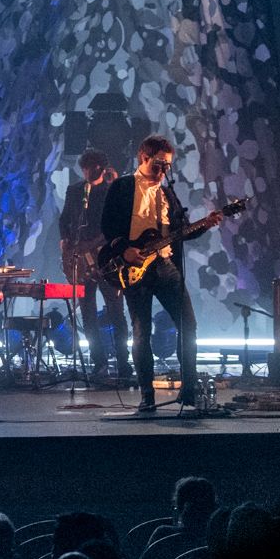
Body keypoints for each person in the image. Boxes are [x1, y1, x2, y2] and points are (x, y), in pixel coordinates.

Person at [100, 136, 223, 413]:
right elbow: (107, 225)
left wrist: (206, 224)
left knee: (188, 326)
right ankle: (147, 395)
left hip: (165, 266)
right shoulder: (122, 186)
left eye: (167, 164)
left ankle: (189, 390)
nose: (163, 169)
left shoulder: (168, 193)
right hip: (134, 267)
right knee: (141, 332)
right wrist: (124, 249)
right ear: (143, 158)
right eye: (159, 163)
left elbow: (181, 233)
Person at [59, 149, 131, 382]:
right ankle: (98, 362)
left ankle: (123, 361)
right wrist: (65, 243)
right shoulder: (75, 191)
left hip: (106, 259)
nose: (88, 172)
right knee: (87, 314)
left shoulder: (111, 191)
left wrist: (92, 244)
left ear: (101, 167)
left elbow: (117, 225)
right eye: (85, 168)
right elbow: (65, 219)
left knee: (115, 312)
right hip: (80, 261)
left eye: (93, 167)